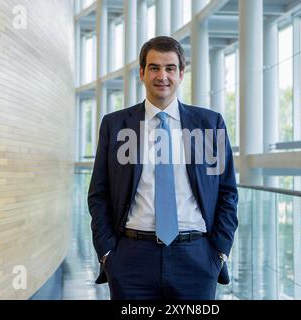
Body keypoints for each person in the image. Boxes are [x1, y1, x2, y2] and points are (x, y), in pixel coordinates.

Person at [88, 36, 238, 300]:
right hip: (131, 259)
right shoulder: (115, 125)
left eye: (170, 68)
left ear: (181, 74)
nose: (162, 75)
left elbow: (228, 193)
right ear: (142, 73)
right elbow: (99, 194)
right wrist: (108, 253)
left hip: (197, 259)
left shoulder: (209, 124)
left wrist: (219, 252)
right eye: (155, 67)